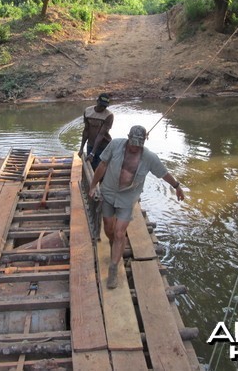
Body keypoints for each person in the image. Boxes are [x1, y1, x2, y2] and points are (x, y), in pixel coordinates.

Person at [88, 125, 185, 289]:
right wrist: (93, 185)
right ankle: (114, 244)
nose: (134, 147)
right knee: (108, 229)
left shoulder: (149, 157)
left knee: (120, 233)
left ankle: (113, 270)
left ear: (144, 141)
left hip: (128, 197)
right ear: (128, 137)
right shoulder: (116, 145)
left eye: (138, 144)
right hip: (109, 192)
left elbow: (163, 173)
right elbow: (103, 165)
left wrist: (177, 186)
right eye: (132, 143)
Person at [78, 93, 113, 170]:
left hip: (104, 146)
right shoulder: (88, 111)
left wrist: (92, 153)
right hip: (90, 144)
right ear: (97, 101)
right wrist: (81, 148)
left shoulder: (109, 115)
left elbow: (101, 134)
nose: (102, 108)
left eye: (105, 106)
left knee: (101, 169)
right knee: (91, 168)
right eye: (101, 105)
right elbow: (86, 130)